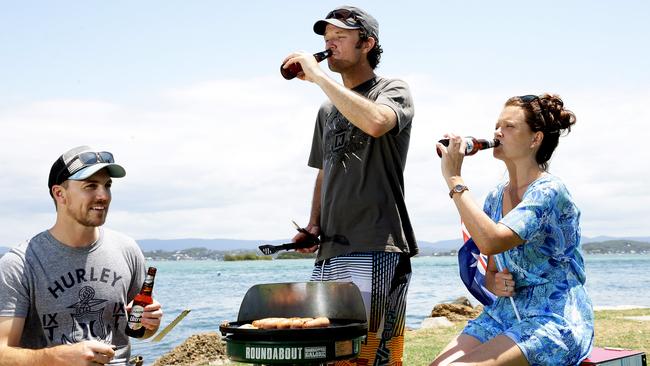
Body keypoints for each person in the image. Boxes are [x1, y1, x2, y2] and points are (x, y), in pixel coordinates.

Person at [282, 5, 417, 365]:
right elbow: (324, 171)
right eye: (328, 39)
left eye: (340, 37)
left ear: (367, 43)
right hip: (331, 249)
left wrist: (317, 77)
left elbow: (377, 123)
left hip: (376, 243)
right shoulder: (327, 110)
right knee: (329, 352)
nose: (331, 45)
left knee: (372, 354)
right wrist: (313, 225)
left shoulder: (393, 89)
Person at [432, 94, 594, 366]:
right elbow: (491, 269)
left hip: (553, 318)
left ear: (535, 139)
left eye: (509, 126)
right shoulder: (496, 196)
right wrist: (494, 282)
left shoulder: (549, 191)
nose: (497, 132)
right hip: (507, 311)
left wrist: (455, 179)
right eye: (497, 125)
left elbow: (492, 241)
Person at [0, 146, 163, 366]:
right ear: (60, 194)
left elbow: (138, 331)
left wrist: (149, 324)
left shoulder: (127, 250)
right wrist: (55, 358)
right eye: (90, 186)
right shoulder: (20, 264)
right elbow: (2, 353)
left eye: (107, 186)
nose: (103, 196)